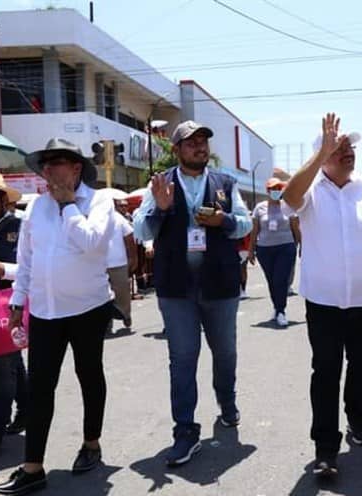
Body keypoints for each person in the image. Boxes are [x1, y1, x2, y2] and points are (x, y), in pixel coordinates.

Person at [282, 113, 362, 478]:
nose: (348, 151)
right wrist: (322, 152)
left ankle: (356, 415)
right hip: (322, 301)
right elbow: (289, 196)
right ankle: (325, 447)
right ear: (322, 155)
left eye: (349, 147)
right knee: (325, 370)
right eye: (339, 148)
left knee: (361, 365)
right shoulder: (310, 192)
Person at [0, 139, 116, 496]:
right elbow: (27, 259)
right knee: (39, 386)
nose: (47, 172)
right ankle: (33, 467)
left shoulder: (99, 201)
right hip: (46, 310)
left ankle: (91, 443)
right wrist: (17, 302)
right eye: (43, 165)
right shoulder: (36, 209)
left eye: (55, 164)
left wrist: (67, 206)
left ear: (75, 168)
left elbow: (93, 244)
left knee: (89, 375)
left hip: (89, 309)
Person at [133, 121, 252, 467]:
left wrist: (223, 221)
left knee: (225, 352)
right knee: (182, 359)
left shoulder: (225, 183)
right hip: (176, 289)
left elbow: (245, 223)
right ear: (177, 150)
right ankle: (185, 431)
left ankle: (227, 402)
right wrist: (161, 207)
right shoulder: (159, 184)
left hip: (220, 285)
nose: (200, 147)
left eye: (203, 141)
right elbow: (140, 229)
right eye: (191, 143)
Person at [0, 172, 28, 460]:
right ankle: (26, 409)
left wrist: (4, 268)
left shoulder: (19, 227)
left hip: (6, 305)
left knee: (3, 367)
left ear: (3, 200)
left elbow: (29, 266)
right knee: (12, 360)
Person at [248, 178, 299, 326]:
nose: (276, 191)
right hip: (264, 249)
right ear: (267, 191)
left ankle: (281, 310)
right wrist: (251, 250)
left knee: (280, 279)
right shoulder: (260, 208)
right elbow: (255, 230)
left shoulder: (288, 206)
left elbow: (296, 228)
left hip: (285, 247)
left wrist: (302, 246)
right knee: (271, 281)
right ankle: (277, 308)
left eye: (278, 188)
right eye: (273, 188)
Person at [107, 199, 137, 332]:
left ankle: (126, 314)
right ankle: (106, 324)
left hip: (118, 262)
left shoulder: (118, 219)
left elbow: (129, 237)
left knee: (122, 293)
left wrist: (133, 257)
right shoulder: (92, 217)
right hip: (98, 265)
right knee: (102, 297)